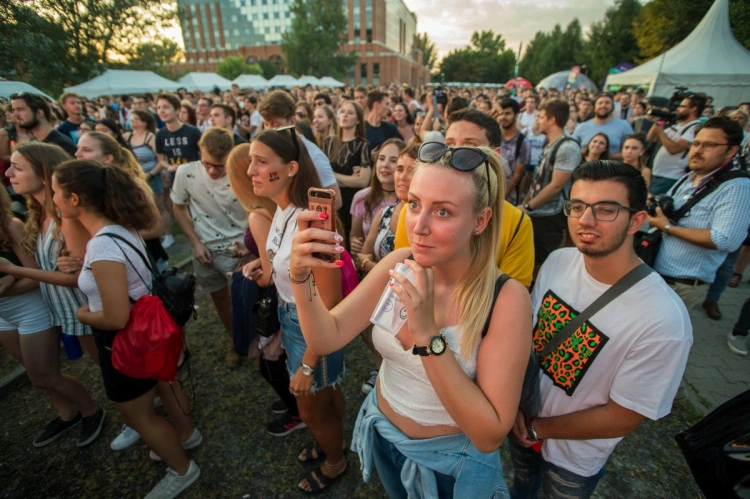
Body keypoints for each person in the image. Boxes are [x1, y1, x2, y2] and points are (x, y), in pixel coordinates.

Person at [289, 139, 531, 498]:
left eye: (443, 212)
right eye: (414, 205)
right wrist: (299, 277)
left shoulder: (506, 298)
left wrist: (426, 336)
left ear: (481, 220)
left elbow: (489, 434)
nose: (419, 226)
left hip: (449, 466)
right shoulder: (400, 263)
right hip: (384, 435)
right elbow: (328, 336)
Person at [509, 160, 692, 499]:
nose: (586, 220)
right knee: (520, 488)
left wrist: (538, 427)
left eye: (605, 209)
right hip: (521, 418)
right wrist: (517, 409)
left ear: (636, 220)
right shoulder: (558, 261)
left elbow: (622, 417)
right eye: (577, 206)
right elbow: (529, 340)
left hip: (574, 459)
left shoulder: (663, 320)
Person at [54, 159, 201, 498]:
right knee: (162, 388)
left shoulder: (102, 245)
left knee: (139, 416)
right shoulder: (120, 229)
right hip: (147, 333)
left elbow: (116, 317)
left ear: (74, 199)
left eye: (55, 191)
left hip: (125, 341)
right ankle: (188, 435)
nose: (53, 198)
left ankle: (182, 470)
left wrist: (84, 315)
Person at [247, 128, 348, 494]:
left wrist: (307, 362)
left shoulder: (315, 222)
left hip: (312, 327)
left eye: (261, 162)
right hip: (296, 319)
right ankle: (332, 442)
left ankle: (336, 462)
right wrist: (263, 268)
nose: (250, 171)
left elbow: (331, 303)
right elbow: (287, 267)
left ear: (290, 168)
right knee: (326, 393)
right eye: (250, 161)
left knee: (308, 409)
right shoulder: (283, 210)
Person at [0, 167, 105, 449]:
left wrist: (10, 277)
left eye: (19, 166)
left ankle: (96, 410)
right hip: (13, 313)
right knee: (38, 376)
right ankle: (68, 413)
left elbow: (42, 272)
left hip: (45, 307)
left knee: (45, 373)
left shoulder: (15, 223)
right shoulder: (39, 215)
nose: (9, 171)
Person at [395, 108, 536, 287]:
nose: (455, 153)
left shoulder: (518, 222)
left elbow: (514, 290)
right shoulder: (411, 212)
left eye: (470, 146)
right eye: (449, 144)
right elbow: (407, 270)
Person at [647, 117, 750, 313]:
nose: (698, 150)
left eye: (709, 145)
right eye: (696, 143)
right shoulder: (690, 177)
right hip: (657, 274)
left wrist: (668, 228)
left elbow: (726, 240)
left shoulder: (737, 187)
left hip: (682, 285)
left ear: (732, 150)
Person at [171, 127, 248, 367]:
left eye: (219, 166)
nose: (212, 171)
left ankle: (257, 345)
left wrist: (250, 245)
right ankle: (236, 343)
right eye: (207, 164)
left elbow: (259, 210)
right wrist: (194, 242)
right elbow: (179, 207)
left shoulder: (242, 173)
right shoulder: (186, 173)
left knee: (247, 301)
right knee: (219, 299)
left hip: (239, 248)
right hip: (204, 249)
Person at [521, 99, 582, 274]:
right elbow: (538, 182)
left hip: (550, 216)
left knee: (543, 265)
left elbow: (556, 185)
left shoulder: (567, 147)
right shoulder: (550, 144)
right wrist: (525, 204)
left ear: (552, 120)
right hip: (537, 212)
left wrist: (528, 206)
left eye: (541, 117)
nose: (537, 121)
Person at [257, 90, 341, 209]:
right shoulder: (268, 151)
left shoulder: (313, 156)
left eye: (276, 125)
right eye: (266, 124)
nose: (270, 131)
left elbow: (336, 201)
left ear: (292, 121)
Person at [155, 92, 203, 249]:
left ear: (177, 110)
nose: (162, 111)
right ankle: (193, 241)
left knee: (199, 210)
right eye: (159, 107)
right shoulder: (160, 135)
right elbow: (161, 159)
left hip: (196, 178)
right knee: (181, 210)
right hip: (176, 178)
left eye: (166, 107)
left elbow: (204, 154)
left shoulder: (192, 132)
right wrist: (168, 166)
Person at [322, 101, 372, 245]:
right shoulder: (328, 142)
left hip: (351, 202)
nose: (344, 115)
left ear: (357, 120)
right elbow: (320, 175)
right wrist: (349, 178)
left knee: (347, 244)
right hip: (330, 200)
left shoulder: (363, 145)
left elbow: (362, 181)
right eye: (342, 111)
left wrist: (332, 175)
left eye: (350, 113)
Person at [350, 139, 403, 255]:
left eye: (393, 161)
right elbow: (355, 235)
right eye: (381, 159)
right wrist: (354, 243)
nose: (385, 165)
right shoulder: (361, 198)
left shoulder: (408, 202)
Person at [647, 93, 705, 195]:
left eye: (682, 106)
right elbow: (651, 137)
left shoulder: (695, 128)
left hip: (671, 177)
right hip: (657, 175)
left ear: (693, 109)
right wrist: (660, 121)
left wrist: (660, 131)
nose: (678, 109)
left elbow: (674, 149)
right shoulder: (678, 126)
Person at [11, 93, 77, 156]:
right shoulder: (34, 143)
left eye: (20, 109)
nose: (15, 114)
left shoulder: (62, 145)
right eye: (14, 110)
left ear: (39, 113)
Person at [573, 94, 633, 160]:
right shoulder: (581, 127)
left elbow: (632, 151)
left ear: (612, 106)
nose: (603, 105)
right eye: (600, 103)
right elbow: (572, 149)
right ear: (594, 107)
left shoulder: (624, 126)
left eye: (607, 103)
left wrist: (603, 155)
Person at [499, 98, 531, 204]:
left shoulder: (523, 142)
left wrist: (500, 197)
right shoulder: (493, 136)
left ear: (517, 115)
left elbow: (517, 176)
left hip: (509, 199)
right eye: (501, 113)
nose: (503, 117)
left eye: (507, 113)